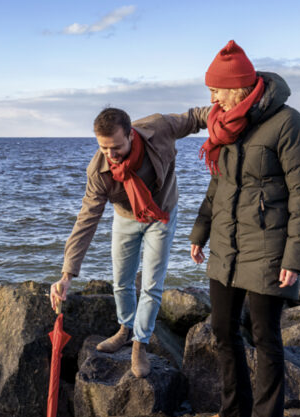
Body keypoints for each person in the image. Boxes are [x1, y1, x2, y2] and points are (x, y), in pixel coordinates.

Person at [189, 40, 300, 417]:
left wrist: (293, 259)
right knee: (222, 329)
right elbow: (219, 186)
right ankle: (235, 412)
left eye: (218, 90)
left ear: (241, 88)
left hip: (268, 246)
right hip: (227, 244)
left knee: (266, 339)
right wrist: (200, 232)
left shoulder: (288, 123)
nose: (212, 98)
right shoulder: (226, 124)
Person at [51, 106, 209, 378]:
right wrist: (67, 275)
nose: (110, 155)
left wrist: (229, 116)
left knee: (151, 284)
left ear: (131, 136)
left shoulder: (159, 128)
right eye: (103, 148)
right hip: (126, 217)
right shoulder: (99, 172)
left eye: (116, 147)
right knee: (121, 281)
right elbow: (86, 221)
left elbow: (196, 118)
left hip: (162, 215)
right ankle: (125, 328)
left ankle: (140, 343)